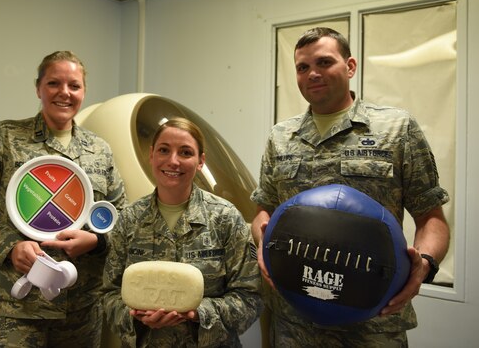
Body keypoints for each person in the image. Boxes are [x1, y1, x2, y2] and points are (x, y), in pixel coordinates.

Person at [251, 27, 450, 347]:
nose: (313, 73)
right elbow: (264, 209)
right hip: (294, 321)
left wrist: (423, 265)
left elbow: (431, 217)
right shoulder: (280, 136)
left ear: (350, 67)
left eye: (324, 62)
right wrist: (262, 241)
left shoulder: (396, 128)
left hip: (372, 320)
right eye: (302, 67)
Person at [0, 51, 127, 347]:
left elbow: (121, 218)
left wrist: (96, 242)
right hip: (11, 310)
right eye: (54, 83)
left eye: (74, 86)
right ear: (38, 87)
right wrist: (9, 246)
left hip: (79, 313)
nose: (64, 93)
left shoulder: (100, 151)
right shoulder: (3, 138)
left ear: (84, 92)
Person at [102, 117, 263, 347]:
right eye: (164, 150)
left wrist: (198, 313)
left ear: (200, 161)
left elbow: (251, 299)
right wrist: (134, 316)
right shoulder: (129, 219)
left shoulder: (225, 218)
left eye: (186, 152)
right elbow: (109, 293)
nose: (173, 161)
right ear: (152, 155)